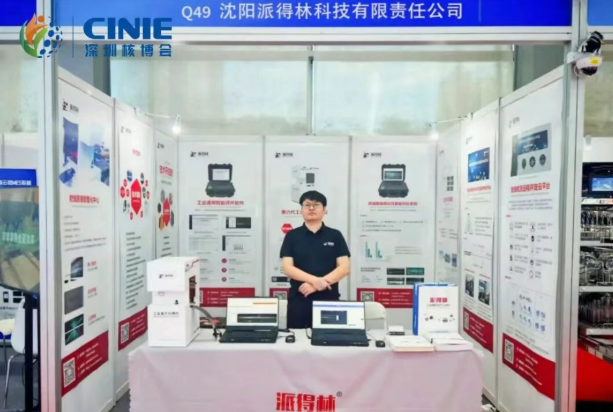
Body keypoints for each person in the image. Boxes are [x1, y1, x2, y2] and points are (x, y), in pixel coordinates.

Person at [280, 191, 350, 328]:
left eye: (316, 205)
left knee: (329, 339)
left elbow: (344, 267)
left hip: (329, 300)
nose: (311, 208)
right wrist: (316, 281)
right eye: (307, 205)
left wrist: (318, 284)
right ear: (301, 210)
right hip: (300, 300)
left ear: (324, 210)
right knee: (297, 339)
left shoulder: (335, 235)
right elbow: (288, 268)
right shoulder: (292, 236)